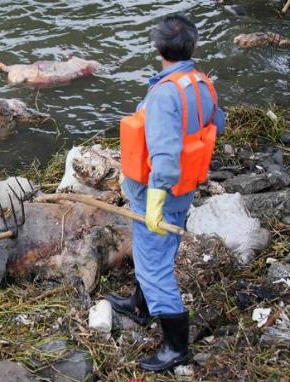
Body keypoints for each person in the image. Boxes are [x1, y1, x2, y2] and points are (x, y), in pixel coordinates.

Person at [111, 14, 226, 372]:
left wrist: (155, 203)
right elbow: (216, 123)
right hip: (184, 191)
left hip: (157, 193)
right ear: (192, 46)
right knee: (152, 257)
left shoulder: (164, 95)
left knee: (155, 269)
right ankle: (141, 306)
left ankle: (176, 348)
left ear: (159, 49)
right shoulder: (201, 83)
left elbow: (164, 159)